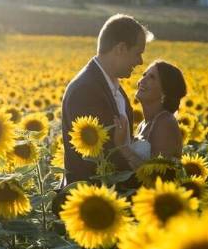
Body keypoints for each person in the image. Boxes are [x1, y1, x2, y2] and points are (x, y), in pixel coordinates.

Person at [61, 14, 153, 184]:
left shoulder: (114, 88)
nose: (140, 61)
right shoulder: (86, 90)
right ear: (121, 49)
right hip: (92, 198)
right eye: (138, 53)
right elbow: (97, 158)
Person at [113, 60, 187, 168]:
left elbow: (156, 173)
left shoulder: (165, 123)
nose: (142, 80)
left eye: (152, 77)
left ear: (164, 92)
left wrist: (122, 147)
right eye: (144, 75)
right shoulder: (144, 123)